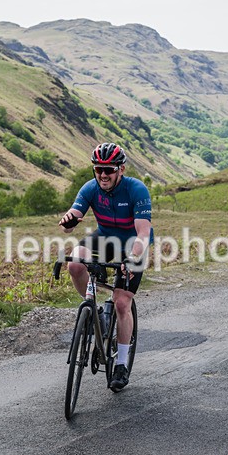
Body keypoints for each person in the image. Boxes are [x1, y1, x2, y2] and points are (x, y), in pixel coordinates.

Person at [58, 142, 153, 391]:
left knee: (122, 302)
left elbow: (143, 233)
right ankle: (94, 310)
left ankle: (121, 363)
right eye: (98, 169)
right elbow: (71, 222)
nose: (103, 174)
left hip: (133, 244)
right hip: (105, 238)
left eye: (108, 169)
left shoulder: (136, 189)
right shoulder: (90, 188)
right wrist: (69, 221)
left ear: (120, 169)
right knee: (76, 262)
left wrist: (133, 259)